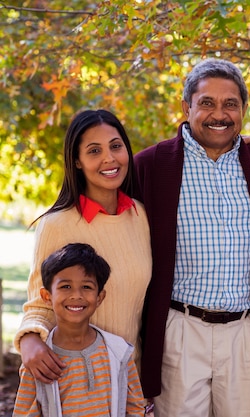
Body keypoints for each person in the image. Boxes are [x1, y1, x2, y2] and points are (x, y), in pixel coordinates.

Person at [133, 58, 250, 417]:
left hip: (246, 331)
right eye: (206, 102)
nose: (218, 114)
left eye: (230, 104)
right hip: (180, 328)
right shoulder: (150, 165)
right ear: (186, 106)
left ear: (243, 110)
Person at [13, 110, 152, 392]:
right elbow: (40, 302)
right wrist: (29, 338)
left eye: (115, 146)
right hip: (74, 381)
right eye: (94, 151)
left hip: (129, 380)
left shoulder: (141, 217)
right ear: (76, 161)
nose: (109, 158)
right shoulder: (56, 225)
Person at [13, 243, 145, 416]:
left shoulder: (119, 352)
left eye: (87, 287)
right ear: (47, 296)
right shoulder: (38, 361)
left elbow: (135, 408)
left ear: (100, 297)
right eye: (65, 286)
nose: (76, 295)